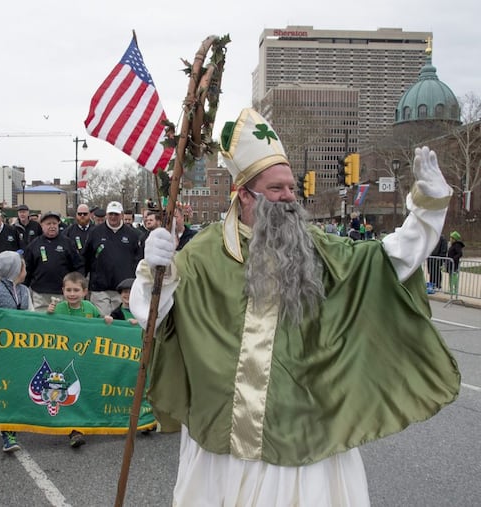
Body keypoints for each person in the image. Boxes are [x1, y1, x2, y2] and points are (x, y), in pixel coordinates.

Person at [130, 108, 459, 506]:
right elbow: (154, 314)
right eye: (277, 189)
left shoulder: (318, 246)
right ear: (244, 195)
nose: (289, 196)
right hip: (222, 437)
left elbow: (389, 261)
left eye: (291, 188)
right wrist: (154, 270)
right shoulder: (204, 253)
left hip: (303, 432)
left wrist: (428, 208)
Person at [47, 271, 112, 448]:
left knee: (84, 391)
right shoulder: (58, 308)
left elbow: (100, 325)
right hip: (65, 360)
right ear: (63, 290)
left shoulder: (90, 307)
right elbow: (46, 328)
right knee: (68, 392)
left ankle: (85, 422)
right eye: (68, 290)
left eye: (76, 290)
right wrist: (48, 314)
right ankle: (74, 430)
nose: (72, 294)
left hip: (86, 359)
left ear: (85, 291)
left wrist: (106, 321)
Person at [0, 250, 33, 452]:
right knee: (6, 389)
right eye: (23, 266)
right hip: (1, 351)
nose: (25, 270)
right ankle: (7, 431)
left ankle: (17, 420)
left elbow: (32, 316)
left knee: (18, 386)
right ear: (15, 269)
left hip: (22, 349)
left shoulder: (25, 291)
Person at [84, 201, 142, 315]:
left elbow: (138, 259)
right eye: (110, 214)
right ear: (106, 214)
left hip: (122, 290)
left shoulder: (133, 235)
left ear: (121, 215)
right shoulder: (95, 232)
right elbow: (86, 257)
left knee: (119, 323)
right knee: (101, 322)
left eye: (116, 214)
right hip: (99, 288)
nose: (113, 217)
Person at [24, 211, 85, 311]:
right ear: (42, 225)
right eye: (48, 224)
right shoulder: (34, 245)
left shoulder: (68, 243)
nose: (52, 226)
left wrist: (77, 285)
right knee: (42, 322)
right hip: (40, 293)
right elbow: (28, 269)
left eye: (54, 223)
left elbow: (78, 266)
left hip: (62, 293)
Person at [447, 231, 465, 296]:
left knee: (454, 277)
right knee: (450, 277)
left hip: (454, 264)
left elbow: (460, 253)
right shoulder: (452, 245)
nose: (450, 239)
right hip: (450, 263)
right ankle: (451, 289)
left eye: (451, 238)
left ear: (454, 239)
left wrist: (453, 259)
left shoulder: (457, 245)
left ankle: (455, 290)